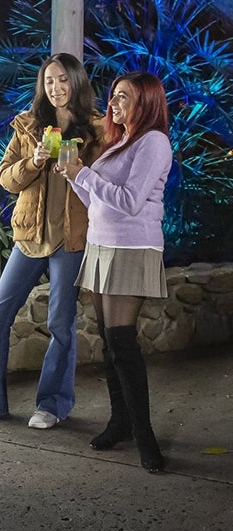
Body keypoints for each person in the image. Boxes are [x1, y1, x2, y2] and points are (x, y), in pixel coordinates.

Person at [0, 53, 105, 429]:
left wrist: (79, 170)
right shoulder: (28, 126)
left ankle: (52, 404)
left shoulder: (97, 130)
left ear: (76, 82)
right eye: (49, 81)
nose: (55, 88)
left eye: (63, 80)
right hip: (29, 236)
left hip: (70, 239)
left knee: (60, 324)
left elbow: (104, 185)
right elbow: (6, 179)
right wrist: (34, 161)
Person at [57, 72, 172, 473]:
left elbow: (130, 200)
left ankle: (145, 437)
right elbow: (96, 202)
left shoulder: (153, 142)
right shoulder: (117, 142)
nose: (114, 104)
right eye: (113, 96)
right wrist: (75, 177)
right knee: (109, 341)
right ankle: (119, 422)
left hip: (131, 247)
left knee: (122, 342)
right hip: (102, 244)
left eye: (123, 97)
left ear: (146, 101)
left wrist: (85, 174)